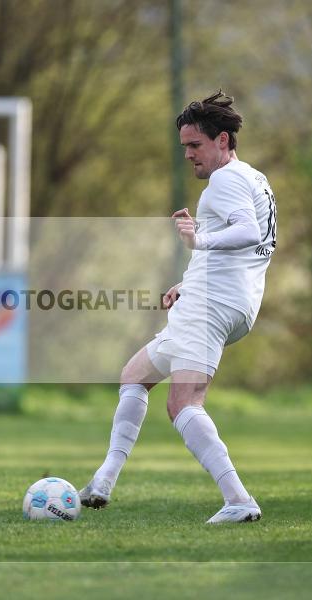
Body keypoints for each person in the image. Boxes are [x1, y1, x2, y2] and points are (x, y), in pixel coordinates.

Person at [79, 91, 277, 523]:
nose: (188, 154)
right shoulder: (254, 178)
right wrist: (188, 282)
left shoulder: (225, 180)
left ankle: (239, 500)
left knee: (184, 404)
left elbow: (247, 232)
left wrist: (198, 240)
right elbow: (245, 246)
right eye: (185, 146)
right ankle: (103, 480)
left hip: (212, 305)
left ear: (222, 140)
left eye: (195, 145)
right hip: (229, 302)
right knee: (135, 375)